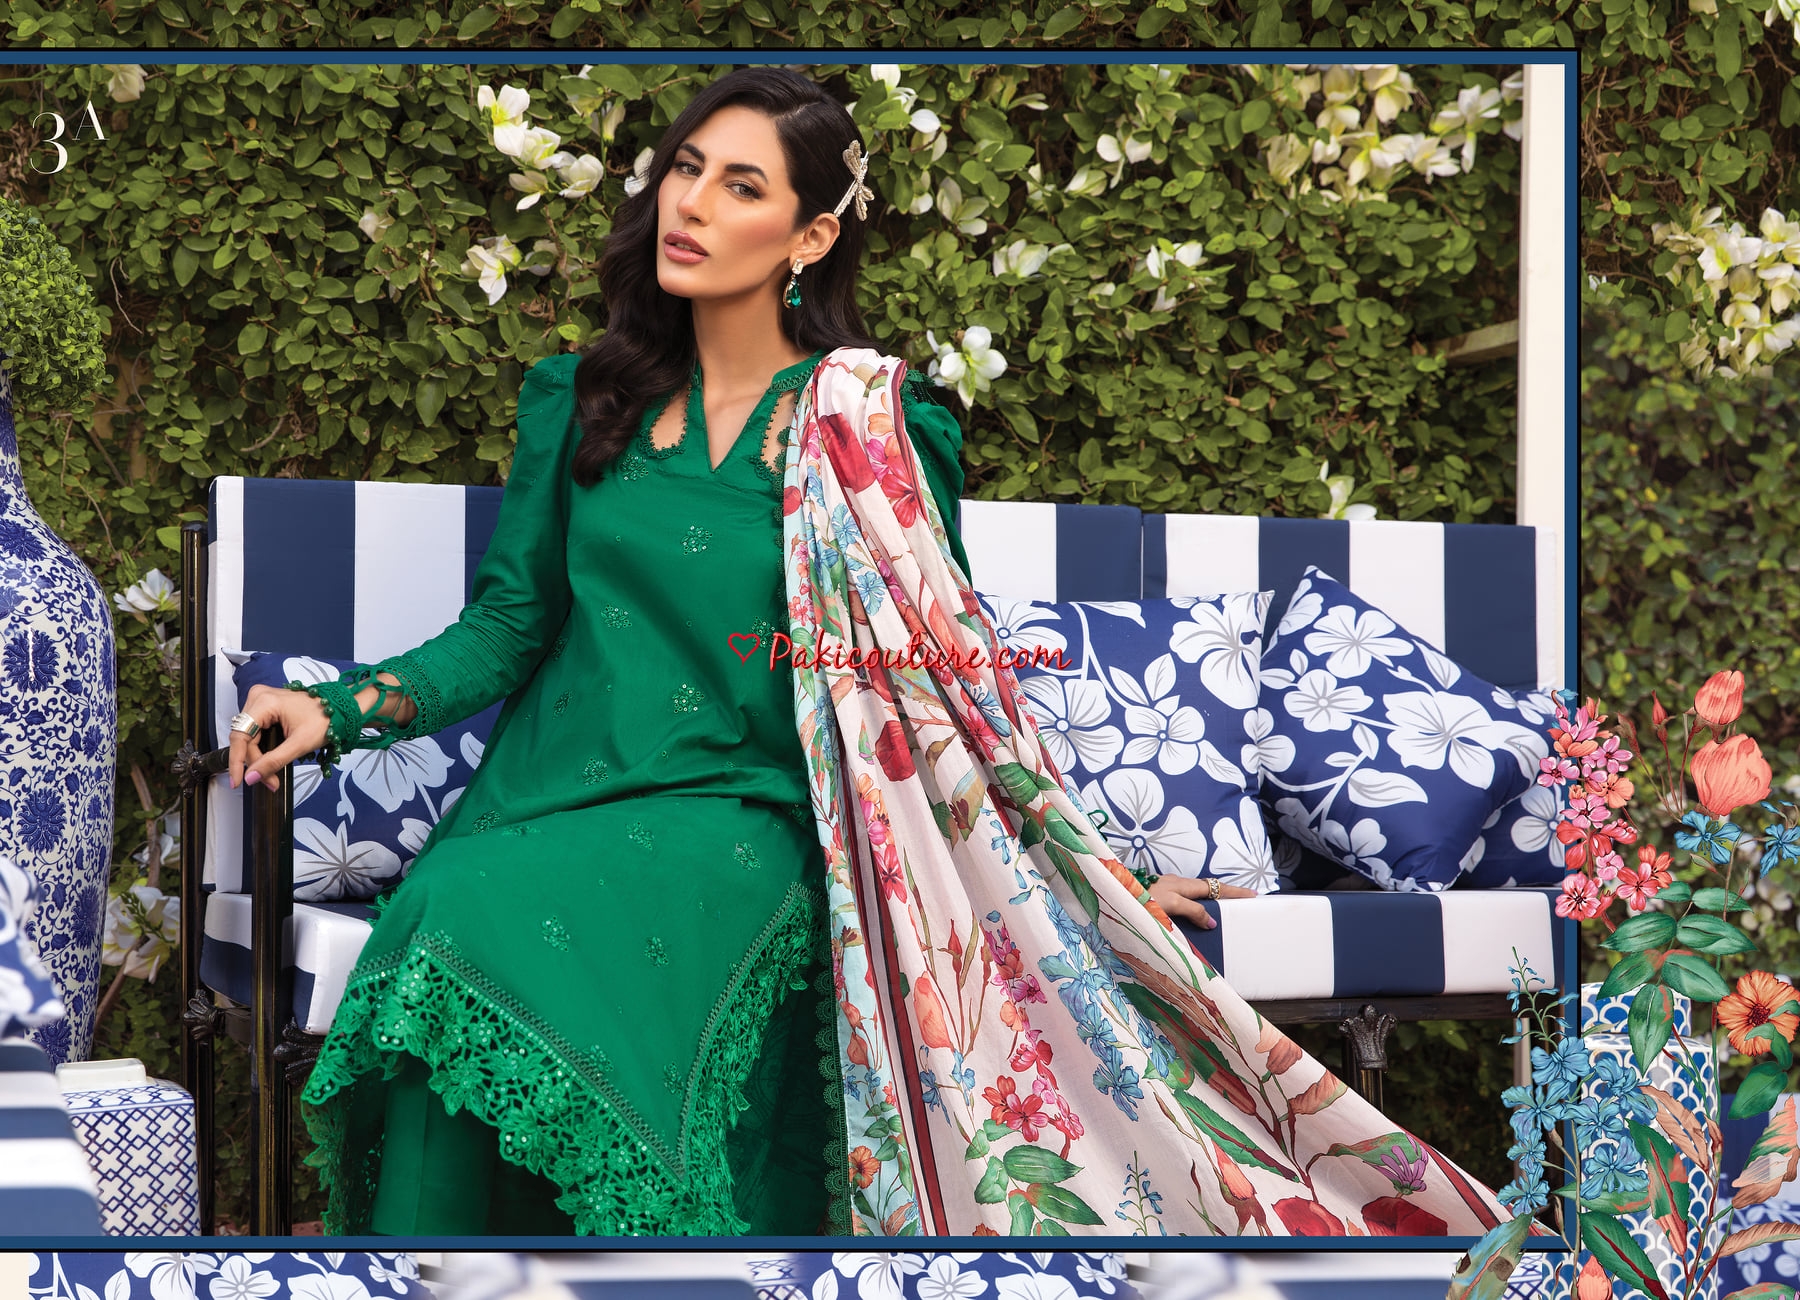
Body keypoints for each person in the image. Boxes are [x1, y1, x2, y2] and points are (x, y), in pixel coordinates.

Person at [227, 68, 1492, 1240]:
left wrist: (1080, 869)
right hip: (553, 798)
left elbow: (943, 674)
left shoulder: (872, 425)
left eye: (741, 185)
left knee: (486, 914)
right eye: (685, 169)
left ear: (811, 235)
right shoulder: (579, 398)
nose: (691, 204)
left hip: (753, 819)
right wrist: (340, 709)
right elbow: (509, 623)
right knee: (461, 903)